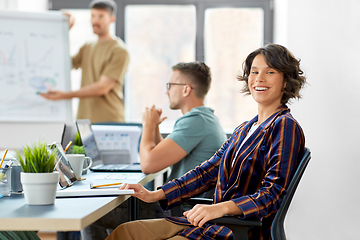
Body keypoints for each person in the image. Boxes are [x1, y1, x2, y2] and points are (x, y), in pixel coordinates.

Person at [105, 43, 307, 240]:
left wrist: (219, 208)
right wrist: (155, 194)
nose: (259, 79)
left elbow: (273, 194)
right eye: (254, 72)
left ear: (286, 82)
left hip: (236, 230)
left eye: (270, 72)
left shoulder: (284, 126)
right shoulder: (244, 129)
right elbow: (206, 172)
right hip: (210, 223)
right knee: (125, 232)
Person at [80, 61, 227, 240]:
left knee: (91, 215)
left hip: (177, 208)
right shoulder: (205, 118)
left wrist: (147, 125)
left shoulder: (195, 121)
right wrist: (155, 128)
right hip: (179, 202)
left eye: (171, 85)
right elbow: (164, 155)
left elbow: (149, 165)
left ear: (186, 89)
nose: (167, 91)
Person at [40, 0, 129, 123]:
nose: (94, 21)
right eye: (92, 16)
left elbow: (102, 88)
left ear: (112, 19)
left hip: (109, 120)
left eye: (100, 16)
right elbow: (64, 64)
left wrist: (64, 95)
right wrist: (63, 29)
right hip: (84, 120)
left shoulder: (119, 50)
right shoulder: (88, 46)